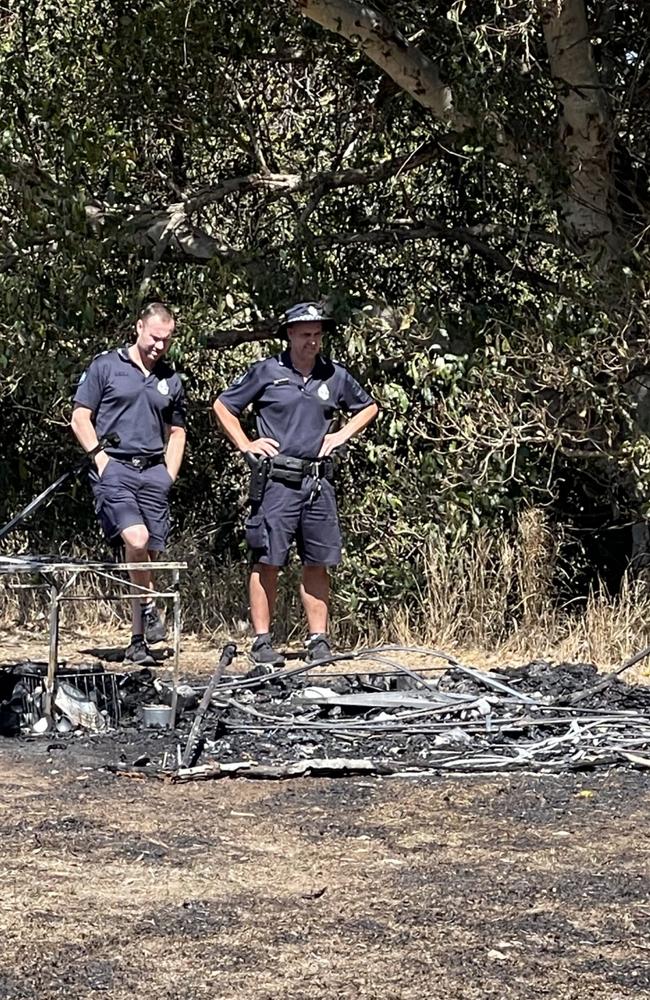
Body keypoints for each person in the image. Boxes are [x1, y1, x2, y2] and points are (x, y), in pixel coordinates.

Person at [213, 301, 378, 668]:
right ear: (289, 334)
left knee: (318, 562)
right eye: (305, 335)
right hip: (277, 483)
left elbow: (368, 407)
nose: (312, 342)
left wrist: (341, 435)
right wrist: (246, 444)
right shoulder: (266, 372)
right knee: (267, 559)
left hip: (318, 483)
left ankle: (318, 639)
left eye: (318, 335)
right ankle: (262, 641)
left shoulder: (333, 375)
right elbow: (223, 406)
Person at [71, 302, 187, 663]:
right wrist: (101, 460)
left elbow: (178, 431)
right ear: (139, 328)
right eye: (154, 338)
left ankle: (138, 641)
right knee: (134, 539)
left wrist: (168, 474)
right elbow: (80, 418)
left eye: (166, 340)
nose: (159, 347)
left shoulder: (171, 379)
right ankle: (151, 604)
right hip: (115, 467)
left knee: (146, 556)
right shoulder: (106, 366)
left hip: (153, 470)